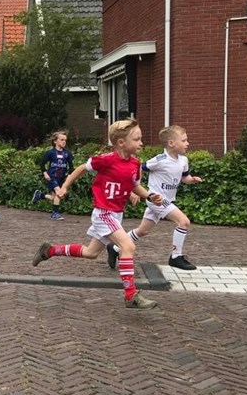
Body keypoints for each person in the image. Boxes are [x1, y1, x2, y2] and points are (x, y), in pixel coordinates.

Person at [32, 118, 162, 310]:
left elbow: (134, 185)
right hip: (103, 213)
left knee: (91, 253)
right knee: (128, 246)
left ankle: (49, 251)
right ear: (121, 142)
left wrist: (148, 195)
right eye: (137, 139)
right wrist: (65, 186)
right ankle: (130, 295)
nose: (141, 143)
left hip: (116, 215)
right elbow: (81, 169)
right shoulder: (106, 159)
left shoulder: (135, 164)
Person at [106, 125, 204, 271]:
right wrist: (135, 188)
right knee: (183, 222)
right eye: (184, 140)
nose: (187, 143)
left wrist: (192, 179)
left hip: (167, 201)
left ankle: (114, 247)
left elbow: (185, 177)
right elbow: (139, 168)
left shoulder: (183, 160)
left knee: (143, 231)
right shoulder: (160, 160)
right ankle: (176, 257)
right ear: (171, 143)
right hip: (156, 200)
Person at [32, 131, 75, 220]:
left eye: (65, 140)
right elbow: (42, 164)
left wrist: (69, 176)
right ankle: (55, 214)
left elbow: (71, 167)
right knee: (59, 193)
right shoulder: (50, 153)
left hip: (61, 178)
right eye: (62, 140)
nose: (64, 142)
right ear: (55, 141)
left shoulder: (67, 153)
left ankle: (40, 195)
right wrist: (45, 173)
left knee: (54, 197)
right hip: (52, 177)